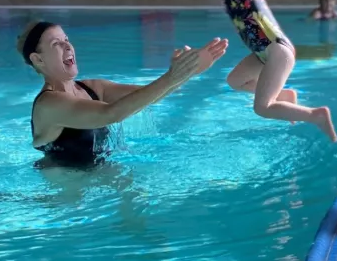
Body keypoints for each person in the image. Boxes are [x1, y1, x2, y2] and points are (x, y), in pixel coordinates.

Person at [122, 0, 337, 142]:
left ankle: (315, 115)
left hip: (277, 52)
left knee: (262, 108)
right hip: (265, 51)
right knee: (236, 80)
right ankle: (284, 96)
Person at [18, 21, 229, 168]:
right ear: (38, 60)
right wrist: (172, 77)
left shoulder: (93, 88)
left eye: (66, 39)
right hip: (63, 198)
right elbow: (112, 113)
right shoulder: (49, 104)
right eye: (56, 44)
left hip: (98, 181)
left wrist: (188, 72)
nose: (67, 45)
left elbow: (148, 96)